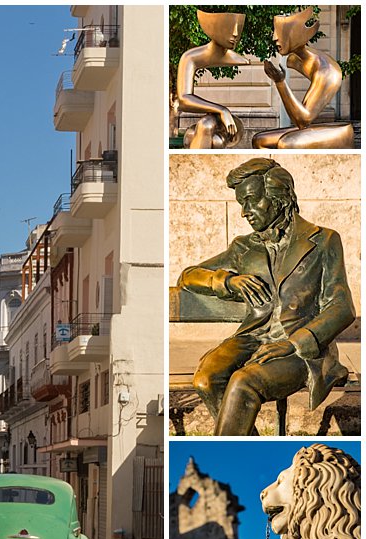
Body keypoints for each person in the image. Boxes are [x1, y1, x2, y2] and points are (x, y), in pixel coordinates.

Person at [178, 158, 355, 435]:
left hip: (300, 349)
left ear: (278, 197)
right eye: (241, 204)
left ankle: (230, 459)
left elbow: (341, 307)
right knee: (205, 379)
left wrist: (294, 343)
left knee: (243, 381)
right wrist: (226, 280)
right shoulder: (244, 247)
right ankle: (243, 443)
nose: (244, 212)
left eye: (251, 201)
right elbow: (188, 275)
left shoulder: (323, 240)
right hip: (252, 338)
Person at [253, 7, 354, 149]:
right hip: (311, 123)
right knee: (259, 140)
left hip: (341, 132)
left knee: (287, 143)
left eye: (280, 32)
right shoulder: (296, 59)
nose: (274, 38)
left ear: (295, 35)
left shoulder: (326, 71)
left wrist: (280, 83)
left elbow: (303, 121)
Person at [176, 10, 248, 148]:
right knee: (210, 132)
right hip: (212, 128)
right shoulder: (190, 58)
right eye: (229, 28)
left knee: (207, 126)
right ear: (214, 29)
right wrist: (222, 110)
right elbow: (184, 100)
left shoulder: (240, 59)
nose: (235, 33)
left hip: (229, 128)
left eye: (239, 28)